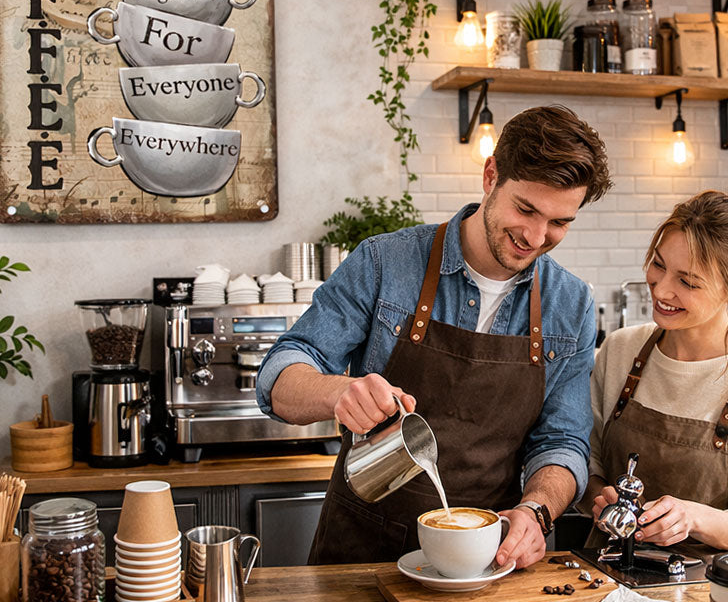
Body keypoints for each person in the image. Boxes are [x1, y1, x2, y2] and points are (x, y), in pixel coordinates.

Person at [256, 105, 612, 569]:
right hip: (360, 556)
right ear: (491, 177)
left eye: (560, 223)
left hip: (482, 559)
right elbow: (278, 376)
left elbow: (563, 440)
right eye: (525, 209)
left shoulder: (572, 304)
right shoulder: (385, 263)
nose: (536, 236)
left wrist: (536, 509)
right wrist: (339, 392)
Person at [585, 190, 728, 553]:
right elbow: (588, 462)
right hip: (606, 575)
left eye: (688, 282)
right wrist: (597, 500)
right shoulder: (619, 350)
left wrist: (694, 518)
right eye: (659, 264)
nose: (661, 289)